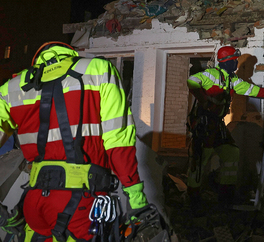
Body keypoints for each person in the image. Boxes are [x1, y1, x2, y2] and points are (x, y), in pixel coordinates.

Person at [0, 42, 155, 242]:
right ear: (71, 53)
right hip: (82, 203)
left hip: (34, 204)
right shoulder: (98, 70)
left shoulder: (11, 89)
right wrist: (136, 197)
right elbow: (117, 141)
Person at [186, 45, 264, 212]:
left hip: (217, 124)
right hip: (205, 125)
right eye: (234, 60)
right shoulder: (212, 74)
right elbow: (191, 81)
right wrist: (204, 100)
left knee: (231, 153)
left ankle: (225, 197)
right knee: (200, 163)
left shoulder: (231, 79)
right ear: (227, 61)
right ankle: (193, 201)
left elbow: (251, 89)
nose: (236, 63)